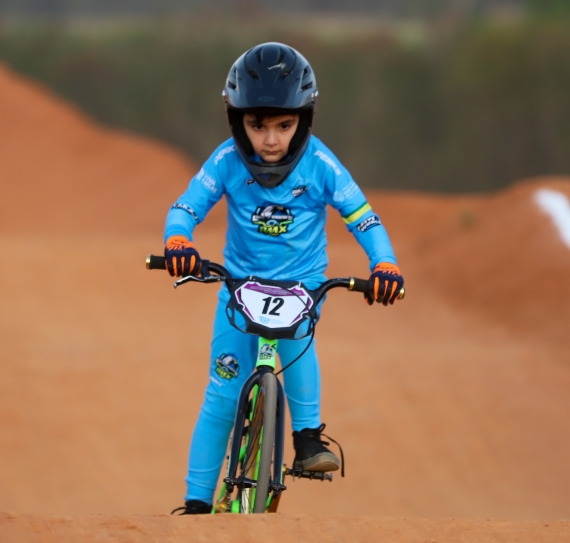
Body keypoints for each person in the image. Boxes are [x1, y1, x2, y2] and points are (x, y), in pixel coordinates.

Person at [163, 42, 404, 515]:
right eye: (257, 126)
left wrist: (385, 263)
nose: (271, 140)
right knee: (222, 394)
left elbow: (364, 219)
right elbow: (185, 207)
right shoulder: (226, 161)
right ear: (237, 121)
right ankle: (196, 504)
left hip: (302, 288)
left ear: (304, 120)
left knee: (296, 342)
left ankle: (308, 438)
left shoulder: (321, 165)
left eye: (284, 126)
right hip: (239, 289)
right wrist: (178, 241)